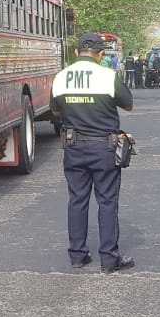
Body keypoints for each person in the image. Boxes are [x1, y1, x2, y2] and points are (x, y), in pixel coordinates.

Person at [50, 33, 136, 274]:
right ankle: (109, 259)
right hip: (104, 148)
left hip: (74, 147)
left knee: (77, 200)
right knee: (107, 201)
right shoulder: (108, 76)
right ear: (100, 55)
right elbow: (128, 104)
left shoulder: (61, 77)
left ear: (76, 53)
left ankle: (77, 255)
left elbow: (55, 112)